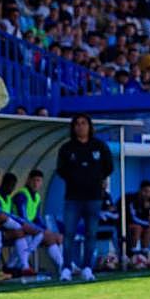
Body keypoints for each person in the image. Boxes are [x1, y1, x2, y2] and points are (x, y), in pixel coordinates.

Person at [56, 114, 112, 280]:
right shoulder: (67, 148)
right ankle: (66, 268)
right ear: (73, 127)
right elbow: (61, 170)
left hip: (94, 198)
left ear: (89, 126)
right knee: (69, 233)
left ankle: (88, 268)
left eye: (84, 123)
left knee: (91, 234)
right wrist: (76, 179)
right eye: (77, 124)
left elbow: (109, 167)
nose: (80, 126)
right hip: (73, 198)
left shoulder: (99, 146)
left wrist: (96, 179)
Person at [11, 169, 66, 279]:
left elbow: (37, 218)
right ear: (28, 180)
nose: (36, 183)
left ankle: (63, 265)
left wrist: (45, 229)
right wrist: (40, 229)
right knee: (40, 234)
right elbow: (23, 217)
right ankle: (21, 265)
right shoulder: (21, 195)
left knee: (55, 237)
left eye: (39, 181)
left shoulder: (37, 197)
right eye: (34, 180)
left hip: (30, 229)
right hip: (18, 227)